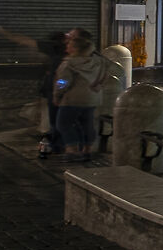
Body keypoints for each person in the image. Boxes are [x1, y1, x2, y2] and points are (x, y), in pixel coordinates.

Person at [49, 30, 117, 163]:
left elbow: (63, 82)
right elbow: (115, 71)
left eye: (69, 45)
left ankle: (72, 150)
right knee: (87, 124)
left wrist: (57, 95)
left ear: (75, 48)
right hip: (92, 98)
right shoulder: (98, 61)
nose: (67, 47)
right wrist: (100, 83)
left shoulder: (69, 63)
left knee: (63, 124)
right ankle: (87, 150)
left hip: (72, 99)